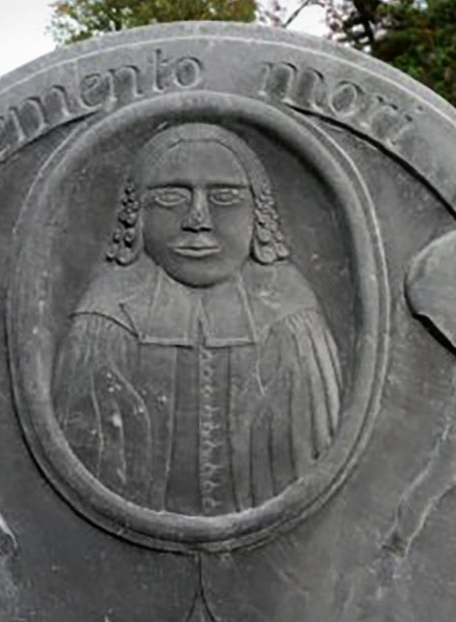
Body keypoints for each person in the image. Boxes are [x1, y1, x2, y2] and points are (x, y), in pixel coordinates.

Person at [53, 123, 341, 516]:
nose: (198, 218)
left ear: (260, 215)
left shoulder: (293, 314)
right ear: (137, 217)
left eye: (224, 196)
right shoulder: (103, 319)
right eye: (172, 197)